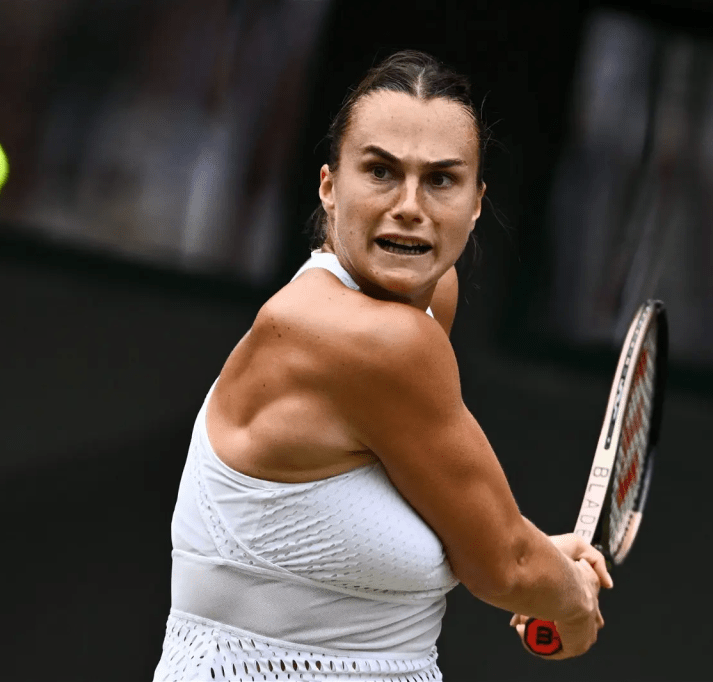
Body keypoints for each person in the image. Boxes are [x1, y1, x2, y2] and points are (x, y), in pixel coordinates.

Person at [152, 49, 613, 681]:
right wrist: (568, 599)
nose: (410, 206)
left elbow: (461, 519)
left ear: (477, 203)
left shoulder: (429, 299)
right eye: (380, 172)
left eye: (441, 180)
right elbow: (505, 565)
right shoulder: (377, 342)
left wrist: (539, 562)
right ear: (329, 187)